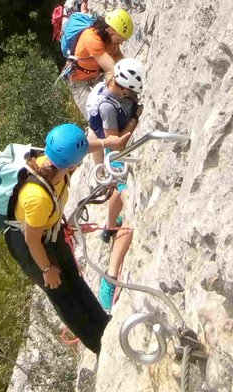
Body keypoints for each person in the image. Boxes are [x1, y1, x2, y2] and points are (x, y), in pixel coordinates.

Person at [3, 123, 110, 354]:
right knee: (62, 293)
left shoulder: (54, 162)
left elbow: (78, 149)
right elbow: (32, 241)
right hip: (31, 247)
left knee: (73, 277)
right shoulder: (37, 197)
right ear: (73, 164)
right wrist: (46, 268)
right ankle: (97, 343)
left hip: (50, 231)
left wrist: (108, 143)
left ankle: (104, 324)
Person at [85, 58, 145, 308]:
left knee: (119, 198)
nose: (132, 97)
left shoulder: (113, 86)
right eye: (130, 93)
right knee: (128, 220)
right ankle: (109, 281)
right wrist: (135, 119)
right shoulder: (109, 108)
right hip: (116, 155)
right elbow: (116, 142)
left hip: (116, 155)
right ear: (121, 87)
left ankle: (110, 227)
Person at [65, 8, 134, 117]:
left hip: (96, 76)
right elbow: (112, 69)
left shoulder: (111, 38)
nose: (122, 42)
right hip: (79, 83)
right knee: (95, 117)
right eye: (121, 38)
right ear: (111, 30)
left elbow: (117, 57)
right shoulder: (91, 38)